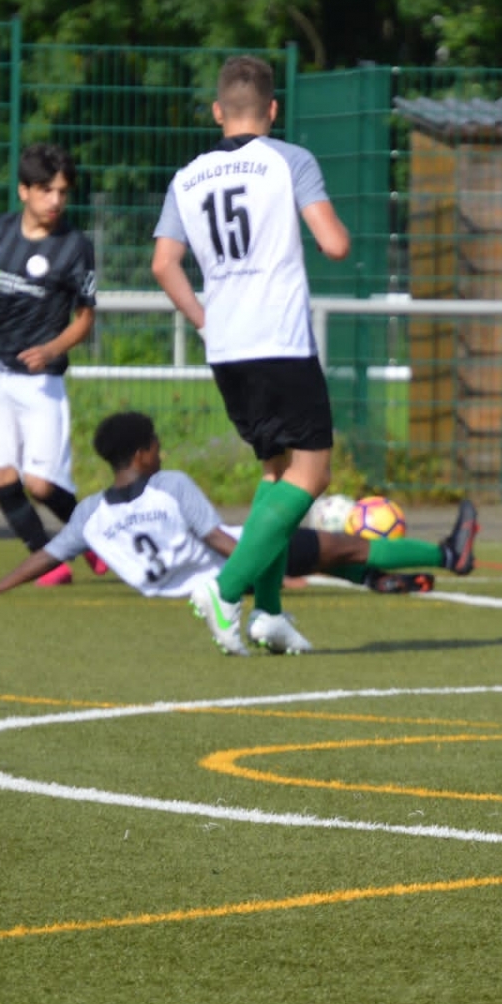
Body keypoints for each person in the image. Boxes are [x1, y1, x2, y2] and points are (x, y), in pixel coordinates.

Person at [152, 55, 354, 655]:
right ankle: (225, 589)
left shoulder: (187, 177)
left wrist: (204, 319)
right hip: (279, 339)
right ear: (273, 109)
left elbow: (164, 264)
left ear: (218, 111)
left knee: (275, 471)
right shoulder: (289, 159)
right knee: (312, 474)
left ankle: (268, 613)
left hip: (227, 346)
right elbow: (334, 244)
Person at [0, 413, 482, 643]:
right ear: (142, 453)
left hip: (182, 589)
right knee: (347, 545)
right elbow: (218, 539)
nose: (161, 451)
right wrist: (271, 573)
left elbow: (48, 554)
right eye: (155, 444)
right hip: (235, 567)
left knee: (328, 555)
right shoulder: (169, 485)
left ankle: (374, 580)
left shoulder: (90, 512)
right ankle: (447, 554)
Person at [0, 144, 97, 580]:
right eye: (46, 190)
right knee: (0, 475)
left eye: (63, 192)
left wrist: (52, 349)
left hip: (40, 379)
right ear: (24, 191)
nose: (56, 200)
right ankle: (46, 561)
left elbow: (85, 318)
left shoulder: (75, 246)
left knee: (42, 485)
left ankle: (94, 539)